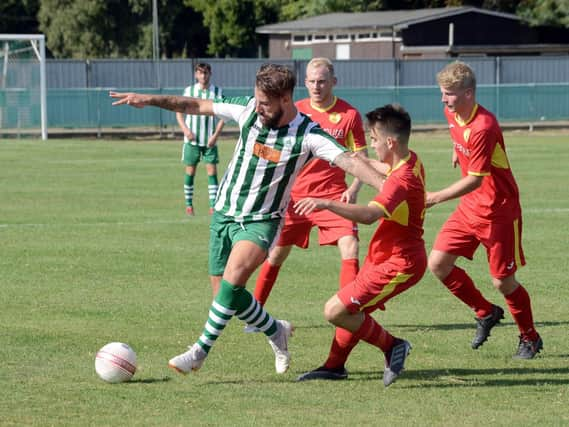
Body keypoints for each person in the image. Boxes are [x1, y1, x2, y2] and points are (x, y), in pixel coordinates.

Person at [109, 63, 386, 377]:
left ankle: (199, 351)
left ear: (285, 99)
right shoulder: (248, 109)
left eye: (266, 104)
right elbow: (196, 105)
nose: (259, 108)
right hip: (224, 214)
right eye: (257, 100)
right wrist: (149, 99)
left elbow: (350, 160)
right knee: (227, 296)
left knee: (234, 278)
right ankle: (276, 331)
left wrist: (387, 188)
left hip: (262, 220)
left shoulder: (307, 134)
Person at [294, 104, 427, 387]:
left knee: (336, 310)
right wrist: (358, 160)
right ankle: (334, 366)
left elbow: (368, 216)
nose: (371, 144)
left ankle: (393, 346)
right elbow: (385, 166)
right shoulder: (410, 161)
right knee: (349, 310)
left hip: (399, 263)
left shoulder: (402, 181)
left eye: (374, 139)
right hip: (384, 256)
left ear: (390, 142)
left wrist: (326, 203)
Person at [426, 61, 542, 359]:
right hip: (470, 210)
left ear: (468, 93)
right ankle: (485, 311)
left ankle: (529, 338)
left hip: (498, 211)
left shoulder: (484, 125)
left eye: (449, 94)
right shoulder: (452, 113)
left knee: (503, 281)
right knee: (438, 264)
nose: (444, 100)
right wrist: (457, 149)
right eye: (442, 93)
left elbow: (476, 180)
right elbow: (459, 135)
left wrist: (436, 197)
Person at [252, 57, 367, 310]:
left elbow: (362, 159)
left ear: (333, 82)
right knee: (276, 254)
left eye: (322, 81)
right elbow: (272, 149)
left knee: (351, 246)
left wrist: (353, 188)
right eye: (312, 81)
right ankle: (255, 312)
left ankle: (350, 313)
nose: (317, 86)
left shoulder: (349, 115)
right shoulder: (295, 111)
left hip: (334, 197)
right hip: (294, 198)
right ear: (305, 83)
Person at [176, 62, 224, 216]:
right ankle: (189, 205)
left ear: (210, 74)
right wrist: (186, 130)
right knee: (190, 171)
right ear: (196, 75)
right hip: (192, 140)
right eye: (200, 73)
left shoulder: (217, 92)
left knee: (212, 172)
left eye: (206, 73)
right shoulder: (189, 91)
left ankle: (213, 206)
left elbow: (224, 116)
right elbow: (179, 112)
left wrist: (215, 135)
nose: (203, 76)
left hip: (209, 140)